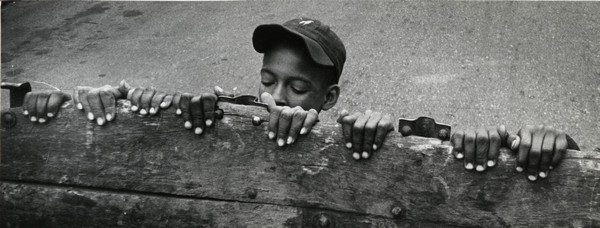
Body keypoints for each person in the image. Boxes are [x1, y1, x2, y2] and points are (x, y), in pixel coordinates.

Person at [20, 17, 578, 181]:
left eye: (298, 87)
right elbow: (157, 107)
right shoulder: (231, 113)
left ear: (329, 97)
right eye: (269, 80)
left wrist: (553, 142)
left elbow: (429, 138)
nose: (276, 98)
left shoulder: (361, 134)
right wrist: (88, 103)